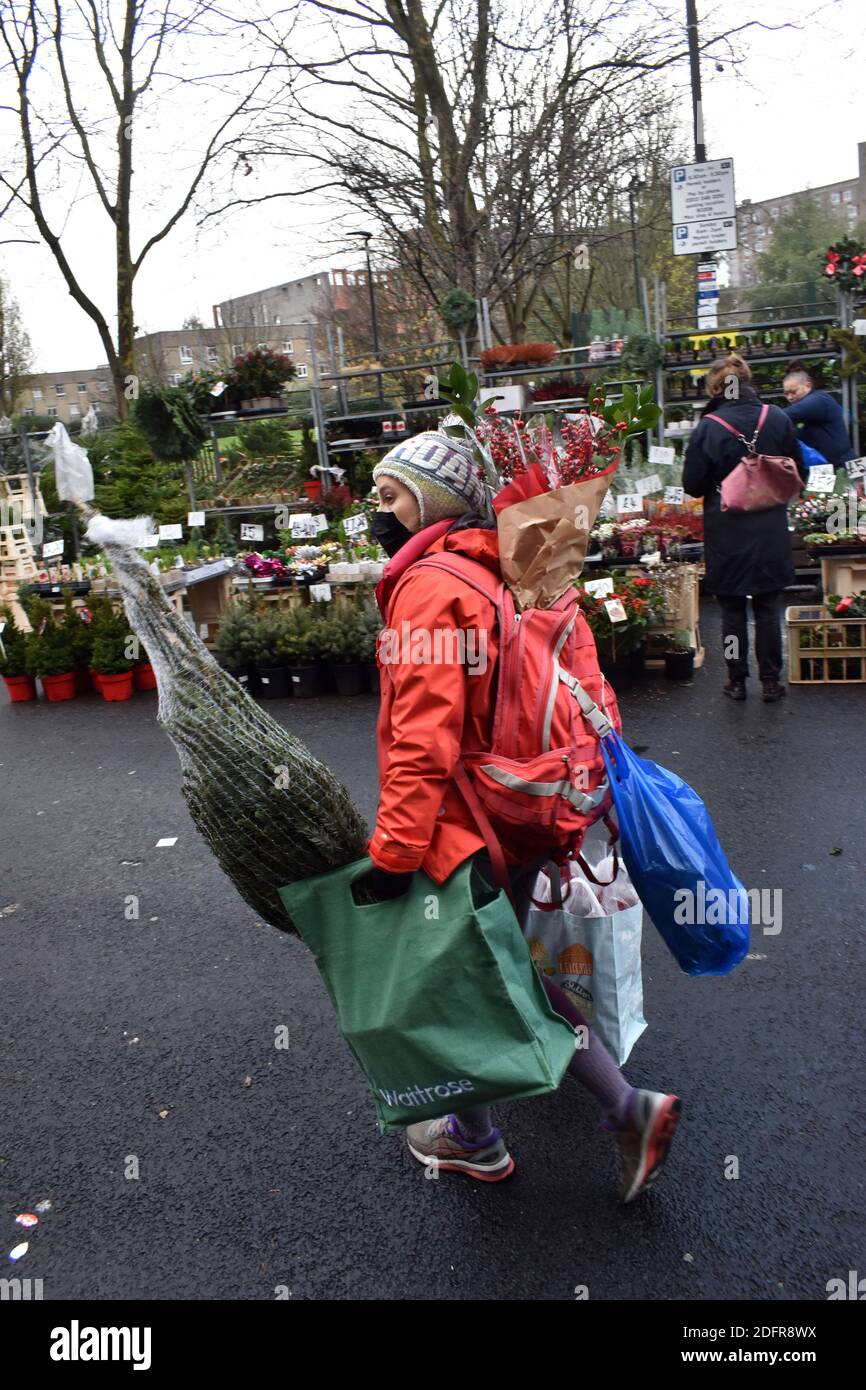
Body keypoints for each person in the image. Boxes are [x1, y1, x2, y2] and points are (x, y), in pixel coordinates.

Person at [364, 430, 681, 1202]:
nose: (375, 505)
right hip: (529, 807)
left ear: (435, 501)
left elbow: (422, 736)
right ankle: (494, 1132)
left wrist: (394, 852)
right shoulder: (516, 570)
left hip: (462, 829)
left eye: (391, 490)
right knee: (493, 972)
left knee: (457, 987)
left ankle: (508, 1133)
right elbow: (587, 691)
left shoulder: (432, 586)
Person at [683, 354, 808, 703]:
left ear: (715, 387)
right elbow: (800, 471)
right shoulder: (778, 418)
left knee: (732, 610)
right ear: (747, 380)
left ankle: (736, 680)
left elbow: (693, 484)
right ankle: (771, 681)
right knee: (768, 605)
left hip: (728, 531)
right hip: (769, 526)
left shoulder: (708, 427)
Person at [782, 368, 855, 468]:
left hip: (842, 467)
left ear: (808, 385)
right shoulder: (805, 407)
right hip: (828, 469)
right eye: (786, 394)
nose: (790, 397)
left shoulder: (819, 400)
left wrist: (763, 414)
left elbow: (780, 416)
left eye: (793, 392)